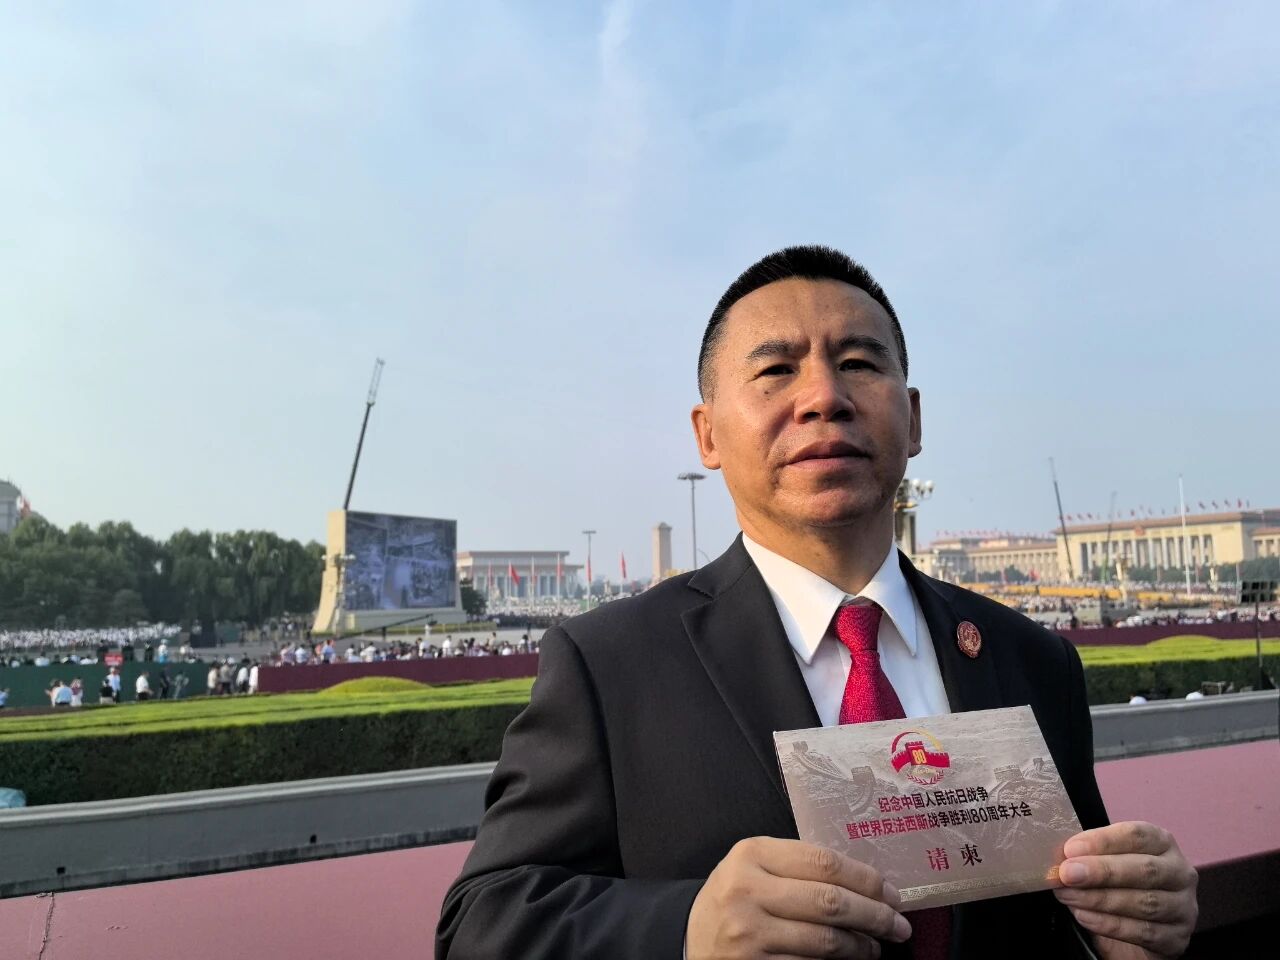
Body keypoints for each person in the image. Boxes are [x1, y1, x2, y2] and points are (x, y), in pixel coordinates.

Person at [437, 246, 1198, 959]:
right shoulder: (611, 665)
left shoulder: (1031, 659)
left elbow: (1065, 909)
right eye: (775, 370)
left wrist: (1128, 920)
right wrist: (686, 928)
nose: (824, 398)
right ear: (707, 435)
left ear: (914, 419)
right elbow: (482, 920)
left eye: (859, 364)